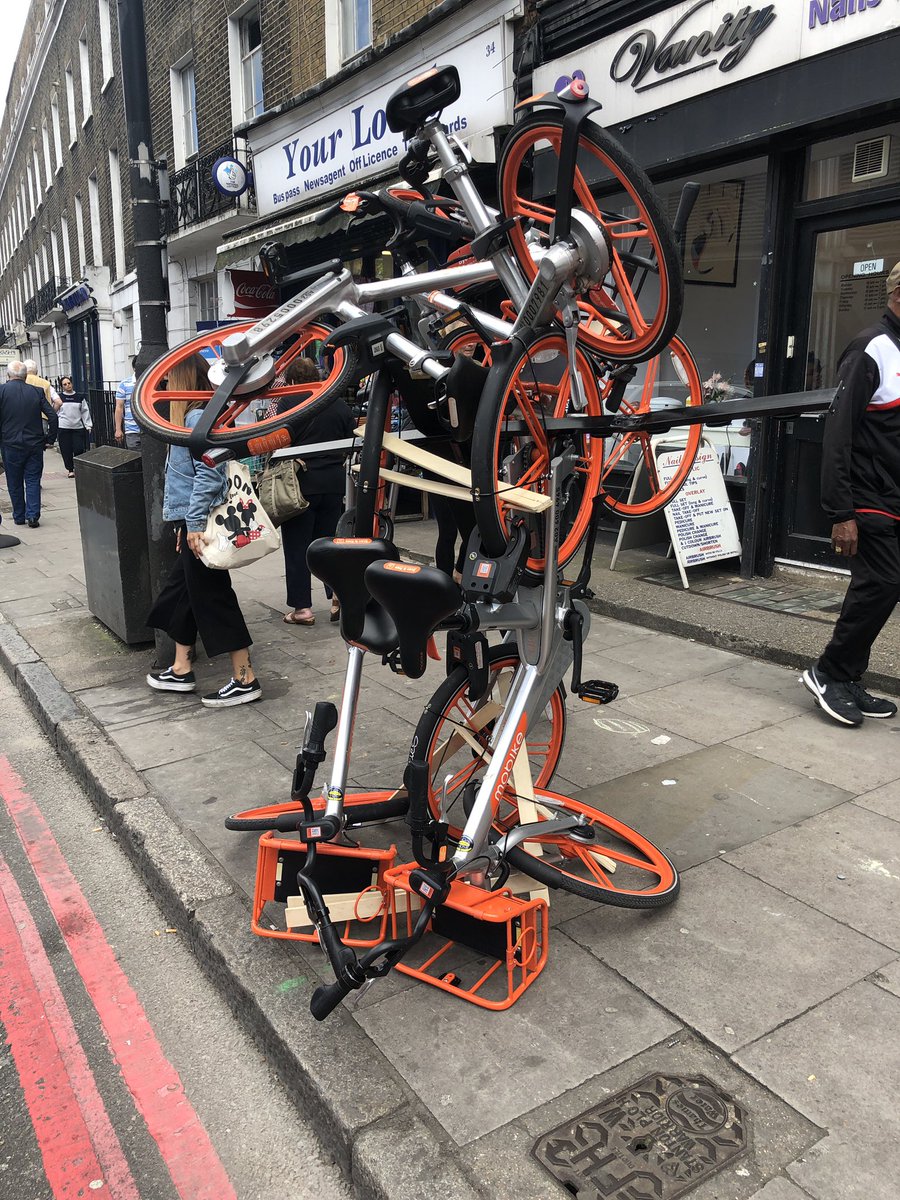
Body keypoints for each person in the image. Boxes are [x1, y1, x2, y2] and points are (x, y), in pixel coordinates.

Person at [802, 262, 900, 727]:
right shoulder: (871, 347)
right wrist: (841, 510)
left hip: (893, 494)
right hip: (867, 493)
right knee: (882, 582)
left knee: (882, 588)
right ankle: (828, 673)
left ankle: (847, 676)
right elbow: (837, 432)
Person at [145, 355, 261, 707]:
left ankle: (245, 679)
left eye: (167, 382)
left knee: (212, 596)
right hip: (192, 521)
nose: (163, 389)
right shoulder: (192, 418)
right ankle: (181, 668)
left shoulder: (197, 417)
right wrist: (185, 521)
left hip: (202, 524)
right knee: (182, 593)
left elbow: (210, 473)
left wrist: (194, 524)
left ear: (182, 382)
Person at [278, 357, 353, 625]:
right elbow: (350, 436)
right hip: (333, 483)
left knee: (298, 547)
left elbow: (278, 438)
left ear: (292, 381)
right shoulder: (337, 402)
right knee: (328, 546)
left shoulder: (288, 402)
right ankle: (339, 599)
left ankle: (302, 609)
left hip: (300, 485)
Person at [0, 360, 58, 528]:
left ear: (8, 375)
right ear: (25, 376)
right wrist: (49, 439)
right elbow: (52, 416)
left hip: (10, 444)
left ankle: (19, 515)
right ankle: (33, 516)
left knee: (14, 481)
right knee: (32, 480)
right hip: (34, 444)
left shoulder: (2, 391)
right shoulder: (36, 391)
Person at [57, 376, 93, 476]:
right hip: (64, 427)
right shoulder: (59, 398)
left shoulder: (79, 397)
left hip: (77, 427)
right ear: (61, 386)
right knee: (66, 450)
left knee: (79, 448)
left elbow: (85, 411)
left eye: (69, 383)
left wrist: (88, 425)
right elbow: (55, 411)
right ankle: (70, 469)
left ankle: (78, 467)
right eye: (65, 384)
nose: (67, 385)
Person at [115, 356, 141, 449]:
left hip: (151, 431)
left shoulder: (154, 382)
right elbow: (119, 407)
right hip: (132, 430)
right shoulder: (125, 384)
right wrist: (118, 429)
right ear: (134, 368)